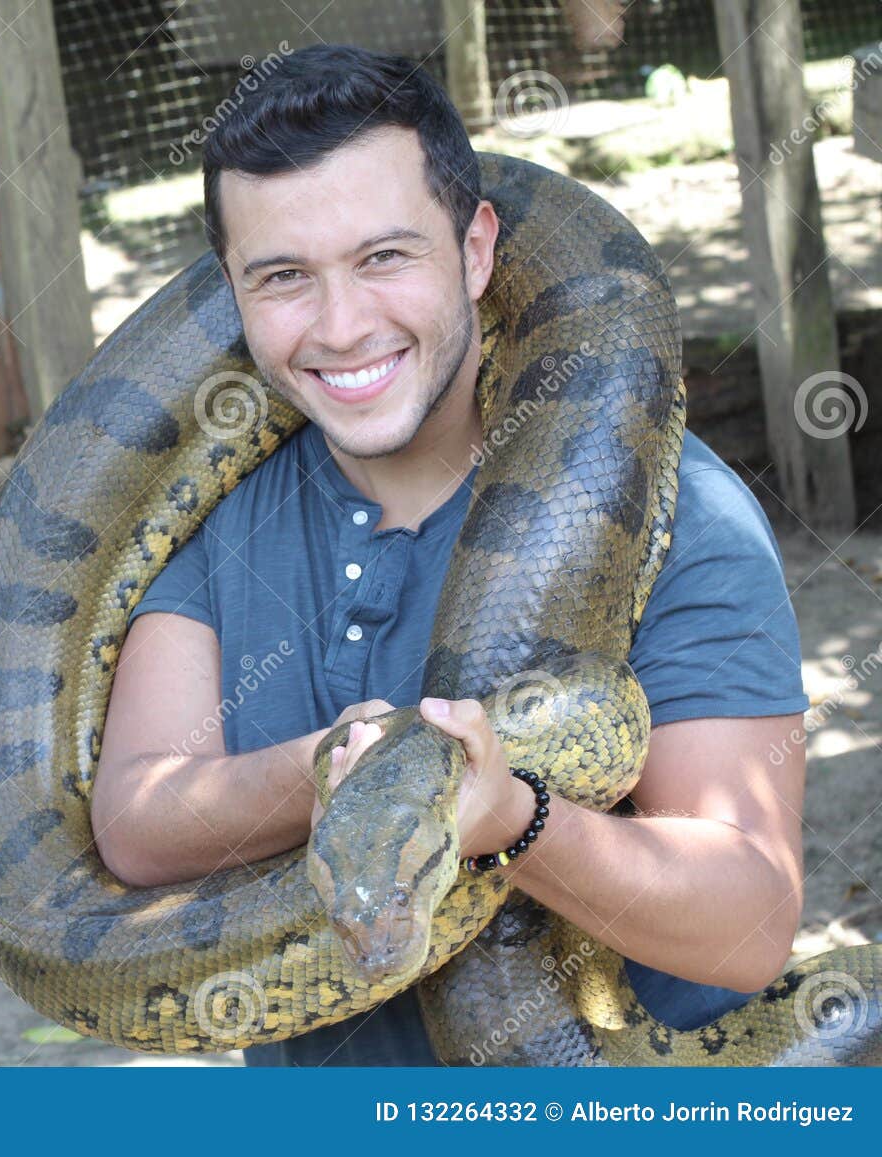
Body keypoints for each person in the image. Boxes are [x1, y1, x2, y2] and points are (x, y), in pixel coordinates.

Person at [90, 43, 810, 1066]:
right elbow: (134, 821)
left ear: (476, 250)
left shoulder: (683, 507)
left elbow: (747, 921)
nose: (342, 327)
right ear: (232, 292)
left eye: (385, 257)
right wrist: (340, 767)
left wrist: (515, 819)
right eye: (283, 276)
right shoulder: (218, 521)